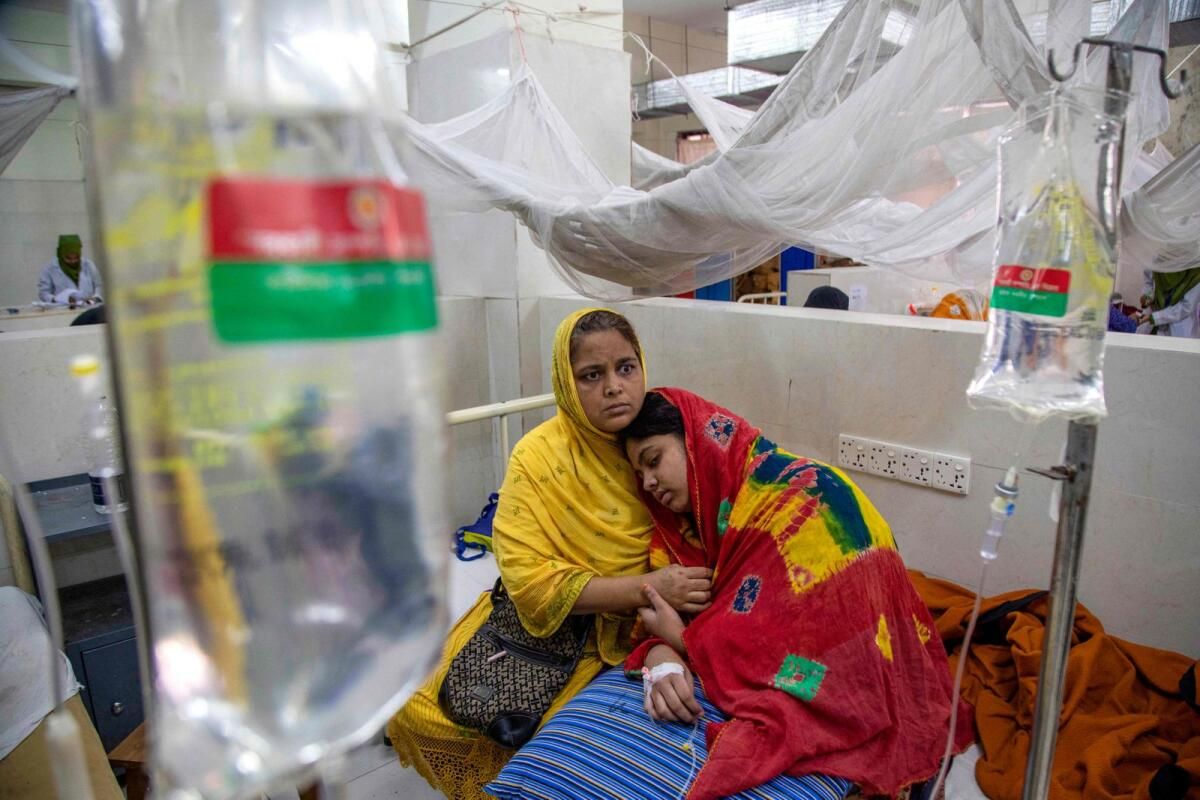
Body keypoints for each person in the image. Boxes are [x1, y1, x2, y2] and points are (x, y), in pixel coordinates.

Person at [386, 309, 712, 800]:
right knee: (417, 704)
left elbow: (703, 541)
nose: (614, 387)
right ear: (565, 382)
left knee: (551, 748)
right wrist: (648, 586)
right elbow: (528, 582)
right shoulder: (537, 457)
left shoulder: (663, 437)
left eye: (626, 368)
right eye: (591, 375)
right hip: (545, 626)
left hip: (636, 631)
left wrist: (666, 631)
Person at [619, 390, 971, 800]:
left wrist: (681, 640)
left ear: (697, 442)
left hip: (858, 651)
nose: (648, 482)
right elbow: (672, 614)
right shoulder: (691, 528)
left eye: (654, 460)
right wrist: (660, 654)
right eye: (639, 473)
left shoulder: (796, 496)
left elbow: (787, 639)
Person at [36, 235, 103, 305]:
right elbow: (43, 293)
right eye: (68, 258)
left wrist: (95, 298)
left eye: (76, 258)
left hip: (89, 307)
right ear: (60, 254)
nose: (73, 261)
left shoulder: (88, 265)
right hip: (63, 309)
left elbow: (98, 285)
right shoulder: (50, 269)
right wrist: (57, 299)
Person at [1137, 265, 1200, 337]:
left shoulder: (1196, 273)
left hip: (1178, 329)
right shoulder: (1158, 262)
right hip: (1150, 323)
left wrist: (1155, 317)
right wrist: (1148, 295)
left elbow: (1186, 307)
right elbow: (1149, 281)